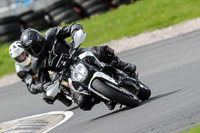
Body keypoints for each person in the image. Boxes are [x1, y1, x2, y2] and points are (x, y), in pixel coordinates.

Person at [20, 23, 137, 110]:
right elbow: (45, 82)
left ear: (40, 39)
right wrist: (50, 85)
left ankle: (122, 65)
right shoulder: (36, 64)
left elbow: (70, 28)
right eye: (31, 49)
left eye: (36, 46)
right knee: (82, 103)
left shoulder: (51, 34)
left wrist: (75, 30)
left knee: (104, 51)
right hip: (68, 74)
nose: (35, 50)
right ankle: (105, 97)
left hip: (78, 54)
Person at [9, 41, 72, 107]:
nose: (22, 58)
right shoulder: (20, 70)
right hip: (41, 79)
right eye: (18, 57)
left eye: (23, 54)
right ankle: (60, 96)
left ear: (26, 50)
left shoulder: (34, 51)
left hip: (49, 67)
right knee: (47, 98)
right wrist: (41, 87)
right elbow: (31, 87)